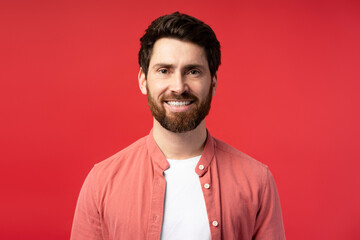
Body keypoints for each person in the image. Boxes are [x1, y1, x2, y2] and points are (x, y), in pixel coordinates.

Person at [71, 12, 286, 240]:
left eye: (193, 71)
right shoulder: (101, 182)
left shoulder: (256, 181)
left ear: (212, 83)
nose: (178, 86)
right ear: (144, 81)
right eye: (164, 71)